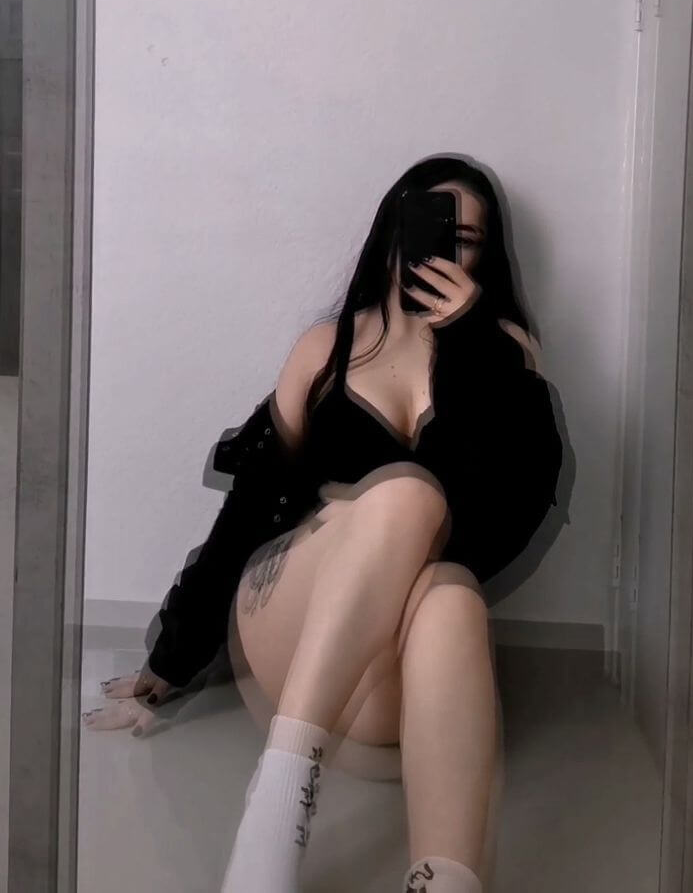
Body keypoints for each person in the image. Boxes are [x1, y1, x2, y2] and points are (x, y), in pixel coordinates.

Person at [84, 153, 565, 893]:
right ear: (391, 231)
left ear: (486, 257)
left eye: (466, 239)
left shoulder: (503, 355)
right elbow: (249, 509)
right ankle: (278, 805)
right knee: (406, 496)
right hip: (292, 615)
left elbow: (505, 520)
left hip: (397, 678)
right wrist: (169, 664)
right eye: (425, 224)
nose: (441, 247)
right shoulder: (328, 347)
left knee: (452, 596)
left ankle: (445, 881)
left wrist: (474, 348)